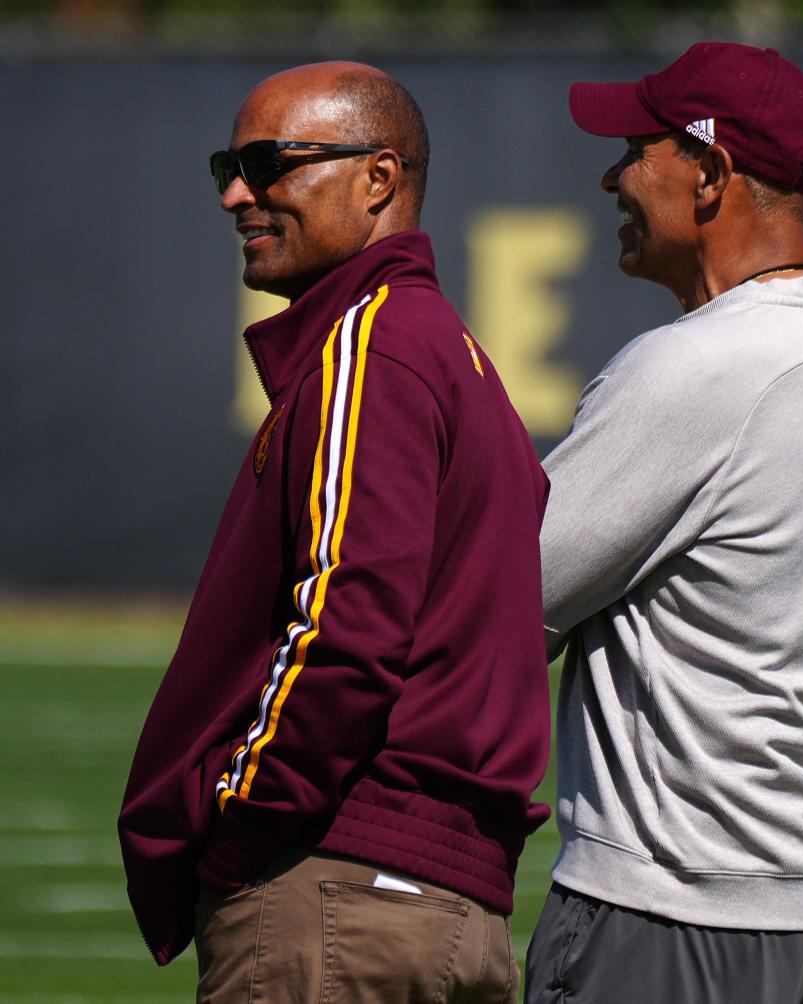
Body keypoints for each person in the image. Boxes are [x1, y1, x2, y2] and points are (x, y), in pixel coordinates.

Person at [118, 62, 551, 1004]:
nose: (238, 192)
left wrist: (237, 829)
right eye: (228, 163)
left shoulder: (374, 342)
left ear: (379, 179)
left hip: (340, 895)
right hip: (443, 907)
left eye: (271, 162)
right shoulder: (458, 359)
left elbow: (344, 626)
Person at [525, 42, 803, 1004]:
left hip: (676, 907)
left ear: (713, 173)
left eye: (639, 149)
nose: (612, 176)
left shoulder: (694, 366)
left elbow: (506, 601)